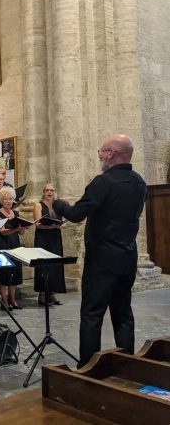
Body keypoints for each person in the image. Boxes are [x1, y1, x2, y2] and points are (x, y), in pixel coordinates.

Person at [53, 134, 147, 368]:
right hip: (127, 258)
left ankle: (87, 369)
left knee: (92, 315)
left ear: (111, 153)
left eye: (101, 151)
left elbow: (75, 215)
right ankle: (126, 365)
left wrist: (58, 204)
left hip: (102, 262)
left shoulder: (103, 182)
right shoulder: (140, 182)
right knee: (123, 313)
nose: (100, 156)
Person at [0, 186, 27, 310]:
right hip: (0, 245)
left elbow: (21, 233)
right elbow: (2, 231)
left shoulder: (15, 213)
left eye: (11, 199)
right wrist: (15, 229)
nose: (8, 201)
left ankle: (12, 299)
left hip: (14, 244)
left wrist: (22, 229)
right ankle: (4, 301)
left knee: (15, 272)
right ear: (1, 200)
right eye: (6, 199)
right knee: (3, 274)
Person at [33, 183, 66, 306]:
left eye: (52, 190)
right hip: (43, 238)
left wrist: (60, 225)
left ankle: (51, 293)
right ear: (43, 192)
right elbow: (37, 224)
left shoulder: (57, 205)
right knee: (43, 265)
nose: (49, 192)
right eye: (47, 190)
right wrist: (49, 226)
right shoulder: (38, 205)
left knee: (54, 265)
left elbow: (62, 220)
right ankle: (42, 294)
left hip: (55, 237)